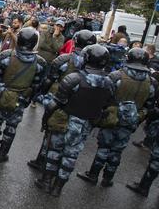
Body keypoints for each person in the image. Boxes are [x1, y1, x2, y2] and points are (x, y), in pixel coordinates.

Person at [36, 44, 114, 196]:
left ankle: (45, 182)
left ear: (86, 58)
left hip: (63, 121)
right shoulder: (109, 83)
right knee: (70, 157)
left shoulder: (74, 79)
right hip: (85, 126)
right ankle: (58, 188)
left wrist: (45, 121)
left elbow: (54, 104)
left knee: (54, 152)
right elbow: (106, 107)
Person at [77, 48, 157, 186]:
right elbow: (148, 107)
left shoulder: (116, 76)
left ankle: (93, 174)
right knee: (118, 150)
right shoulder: (152, 82)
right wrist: (137, 118)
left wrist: (101, 114)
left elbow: (103, 97)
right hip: (131, 121)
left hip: (111, 118)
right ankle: (108, 179)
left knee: (104, 147)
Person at [27, 30, 97, 171]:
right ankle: (55, 165)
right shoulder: (95, 67)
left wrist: (40, 94)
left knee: (51, 130)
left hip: (59, 99)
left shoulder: (63, 60)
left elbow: (49, 80)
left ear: (75, 41)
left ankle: (42, 161)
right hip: (81, 104)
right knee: (71, 137)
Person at [0, 27, 47, 162]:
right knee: (12, 127)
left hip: (2, 95)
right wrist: (27, 99)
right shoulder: (40, 63)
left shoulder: (5, 55)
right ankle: (3, 154)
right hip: (21, 98)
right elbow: (36, 85)